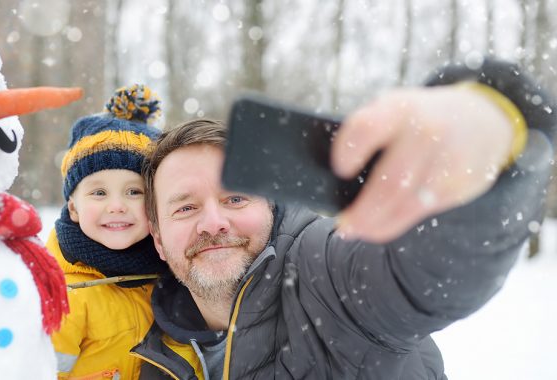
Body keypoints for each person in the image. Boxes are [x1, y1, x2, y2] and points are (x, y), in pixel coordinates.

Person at [131, 58, 556, 379]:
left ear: (271, 205)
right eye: (185, 208)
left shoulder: (328, 278)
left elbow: (432, 271)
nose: (213, 222)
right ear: (159, 238)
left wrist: (495, 130)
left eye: (236, 198)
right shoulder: (151, 355)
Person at [47, 84, 168, 380]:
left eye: (134, 192)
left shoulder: (174, 275)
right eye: (99, 192)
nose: (117, 206)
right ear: (73, 208)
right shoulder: (63, 295)